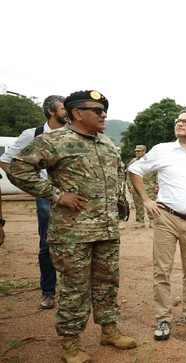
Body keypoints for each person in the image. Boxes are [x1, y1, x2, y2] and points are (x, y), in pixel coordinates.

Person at [8, 90, 136, 363]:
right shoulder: (54, 141)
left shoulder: (105, 142)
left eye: (104, 110)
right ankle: (70, 343)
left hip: (106, 229)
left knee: (107, 284)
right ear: (77, 113)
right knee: (74, 288)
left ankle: (108, 330)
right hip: (72, 232)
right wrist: (56, 195)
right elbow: (17, 168)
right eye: (97, 111)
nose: (104, 115)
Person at [128, 109, 186, 341]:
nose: (180, 124)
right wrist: (146, 200)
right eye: (178, 121)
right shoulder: (162, 150)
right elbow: (134, 169)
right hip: (167, 218)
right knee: (162, 270)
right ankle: (163, 319)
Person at [0, 94, 69, 310]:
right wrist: (34, 186)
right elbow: (5, 161)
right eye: (63, 108)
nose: (68, 111)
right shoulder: (33, 135)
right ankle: (48, 292)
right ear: (51, 111)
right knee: (47, 244)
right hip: (47, 197)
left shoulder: (73, 132)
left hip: (73, 196)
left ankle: (73, 292)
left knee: (76, 244)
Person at [126, 145, 158, 228]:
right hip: (137, 186)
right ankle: (140, 221)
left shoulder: (150, 161)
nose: (137, 152)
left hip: (149, 186)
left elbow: (157, 174)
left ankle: (152, 220)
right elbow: (129, 175)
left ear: (144, 152)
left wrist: (157, 185)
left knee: (151, 204)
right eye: (136, 151)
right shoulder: (133, 162)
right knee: (138, 205)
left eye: (139, 151)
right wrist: (130, 186)